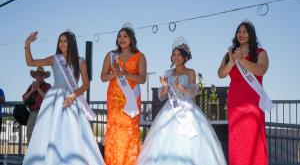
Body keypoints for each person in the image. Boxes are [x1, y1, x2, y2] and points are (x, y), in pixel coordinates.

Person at [137, 37, 227, 165]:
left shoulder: (190, 72)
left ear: (185, 57)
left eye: (179, 54)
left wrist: (180, 87)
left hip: (187, 108)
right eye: (174, 55)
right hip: (170, 109)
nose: (176, 57)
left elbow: (193, 92)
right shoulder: (168, 73)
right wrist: (165, 86)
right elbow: (162, 96)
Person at [22, 31, 105, 165]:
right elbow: (30, 62)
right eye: (60, 41)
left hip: (72, 97)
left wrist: (73, 96)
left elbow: (86, 84)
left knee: (72, 131)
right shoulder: (54, 59)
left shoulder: (80, 61)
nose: (62, 44)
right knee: (51, 130)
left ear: (71, 43)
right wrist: (27, 45)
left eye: (65, 41)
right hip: (55, 98)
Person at [218, 21, 270, 165]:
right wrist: (231, 62)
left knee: (254, 140)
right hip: (235, 103)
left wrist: (241, 60)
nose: (241, 34)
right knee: (237, 141)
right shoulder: (229, 54)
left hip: (253, 104)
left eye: (245, 31)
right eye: (239, 31)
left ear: (251, 35)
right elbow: (221, 74)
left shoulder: (260, 53)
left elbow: (261, 70)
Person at [101, 22, 147, 165]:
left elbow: (142, 78)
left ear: (131, 39)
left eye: (125, 36)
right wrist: (114, 75)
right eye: (119, 36)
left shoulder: (140, 56)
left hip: (131, 99)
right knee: (114, 131)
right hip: (114, 100)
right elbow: (103, 77)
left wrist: (125, 73)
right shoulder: (111, 56)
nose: (122, 38)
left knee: (129, 132)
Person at [22, 67, 51, 143]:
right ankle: (30, 154)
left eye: (41, 75)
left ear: (44, 76)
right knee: (29, 134)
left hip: (43, 113)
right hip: (32, 113)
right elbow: (24, 98)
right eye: (37, 75)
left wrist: (38, 89)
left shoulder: (47, 86)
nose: (39, 77)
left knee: (42, 135)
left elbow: (47, 98)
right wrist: (32, 90)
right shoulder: (31, 86)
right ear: (35, 76)